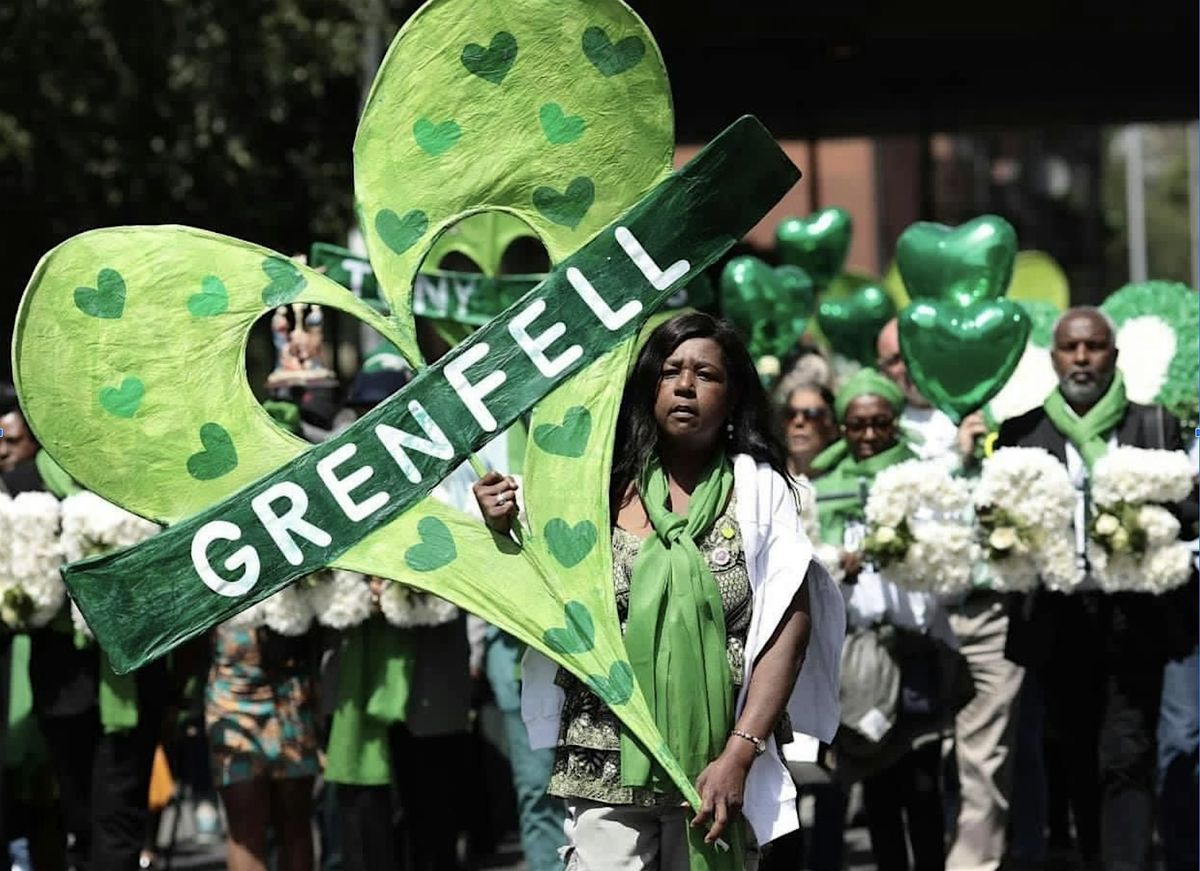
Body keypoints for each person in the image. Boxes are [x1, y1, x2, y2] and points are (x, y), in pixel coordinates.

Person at [475, 313, 844, 870]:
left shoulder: (762, 492)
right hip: (604, 762)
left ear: (732, 395)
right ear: (649, 387)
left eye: (705, 374)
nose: (685, 386)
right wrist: (503, 523)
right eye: (671, 371)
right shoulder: (594, 488)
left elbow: (786, 631)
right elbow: (537, 587)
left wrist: (738, 756)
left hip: (717, 770)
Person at [998, 306, 1198, 870]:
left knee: (1127, 752)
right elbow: (998, 526)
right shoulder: (1022, 432)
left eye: (1093, 347)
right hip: (1058, 620)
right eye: (1070, 347)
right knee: (1075, 754)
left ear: (1113, 354)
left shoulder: (1153, 424)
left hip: (1135, 617)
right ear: (1054, 356)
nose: (1081, 358)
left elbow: (1186, 509)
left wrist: (1143, 522)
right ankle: (1093, 856)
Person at [876, 318, 1026, 871]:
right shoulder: (878, 427)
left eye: (917, 354)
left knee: (984, 755)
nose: (908, 369)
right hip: (911, 619)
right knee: (913, 758)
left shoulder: (983, 419)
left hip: (984, 612)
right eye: (894, 359)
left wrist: (980, 447)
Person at [813, 368, 963, 871]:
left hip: (914, 645)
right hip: (858, 657)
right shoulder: (819, 487)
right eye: (857, 425)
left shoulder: (924, 480)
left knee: (922, 783)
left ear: (897, 423)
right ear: (842, 427)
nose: (870, 434)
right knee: (875, 784)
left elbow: (949, 563)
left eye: (881, 422)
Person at [779, 384, 838, 480]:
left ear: (833, 429)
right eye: (791, 414)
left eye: (812, 414)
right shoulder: (768, 478)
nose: (798, 421)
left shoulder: (848, 480)